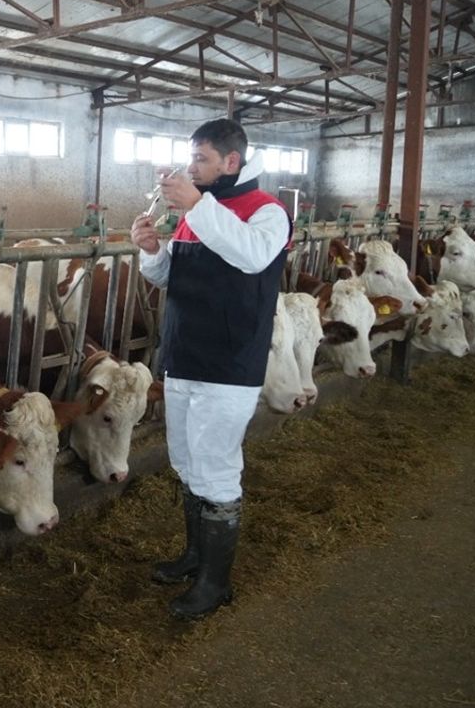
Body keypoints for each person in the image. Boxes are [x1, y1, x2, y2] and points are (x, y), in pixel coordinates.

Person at [130, 118, 291, 620]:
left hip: (229, 361)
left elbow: (249, 256)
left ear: (231, 162)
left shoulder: (268, 213)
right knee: (187, 461)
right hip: (184, 355)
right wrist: (152, 250)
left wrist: (197, 206)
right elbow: (171, 276)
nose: (191, 166)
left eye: (200, 158)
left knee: (217, 469)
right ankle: (196, 556)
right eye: (191, 157)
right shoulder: (194, 211)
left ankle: (215, 584)